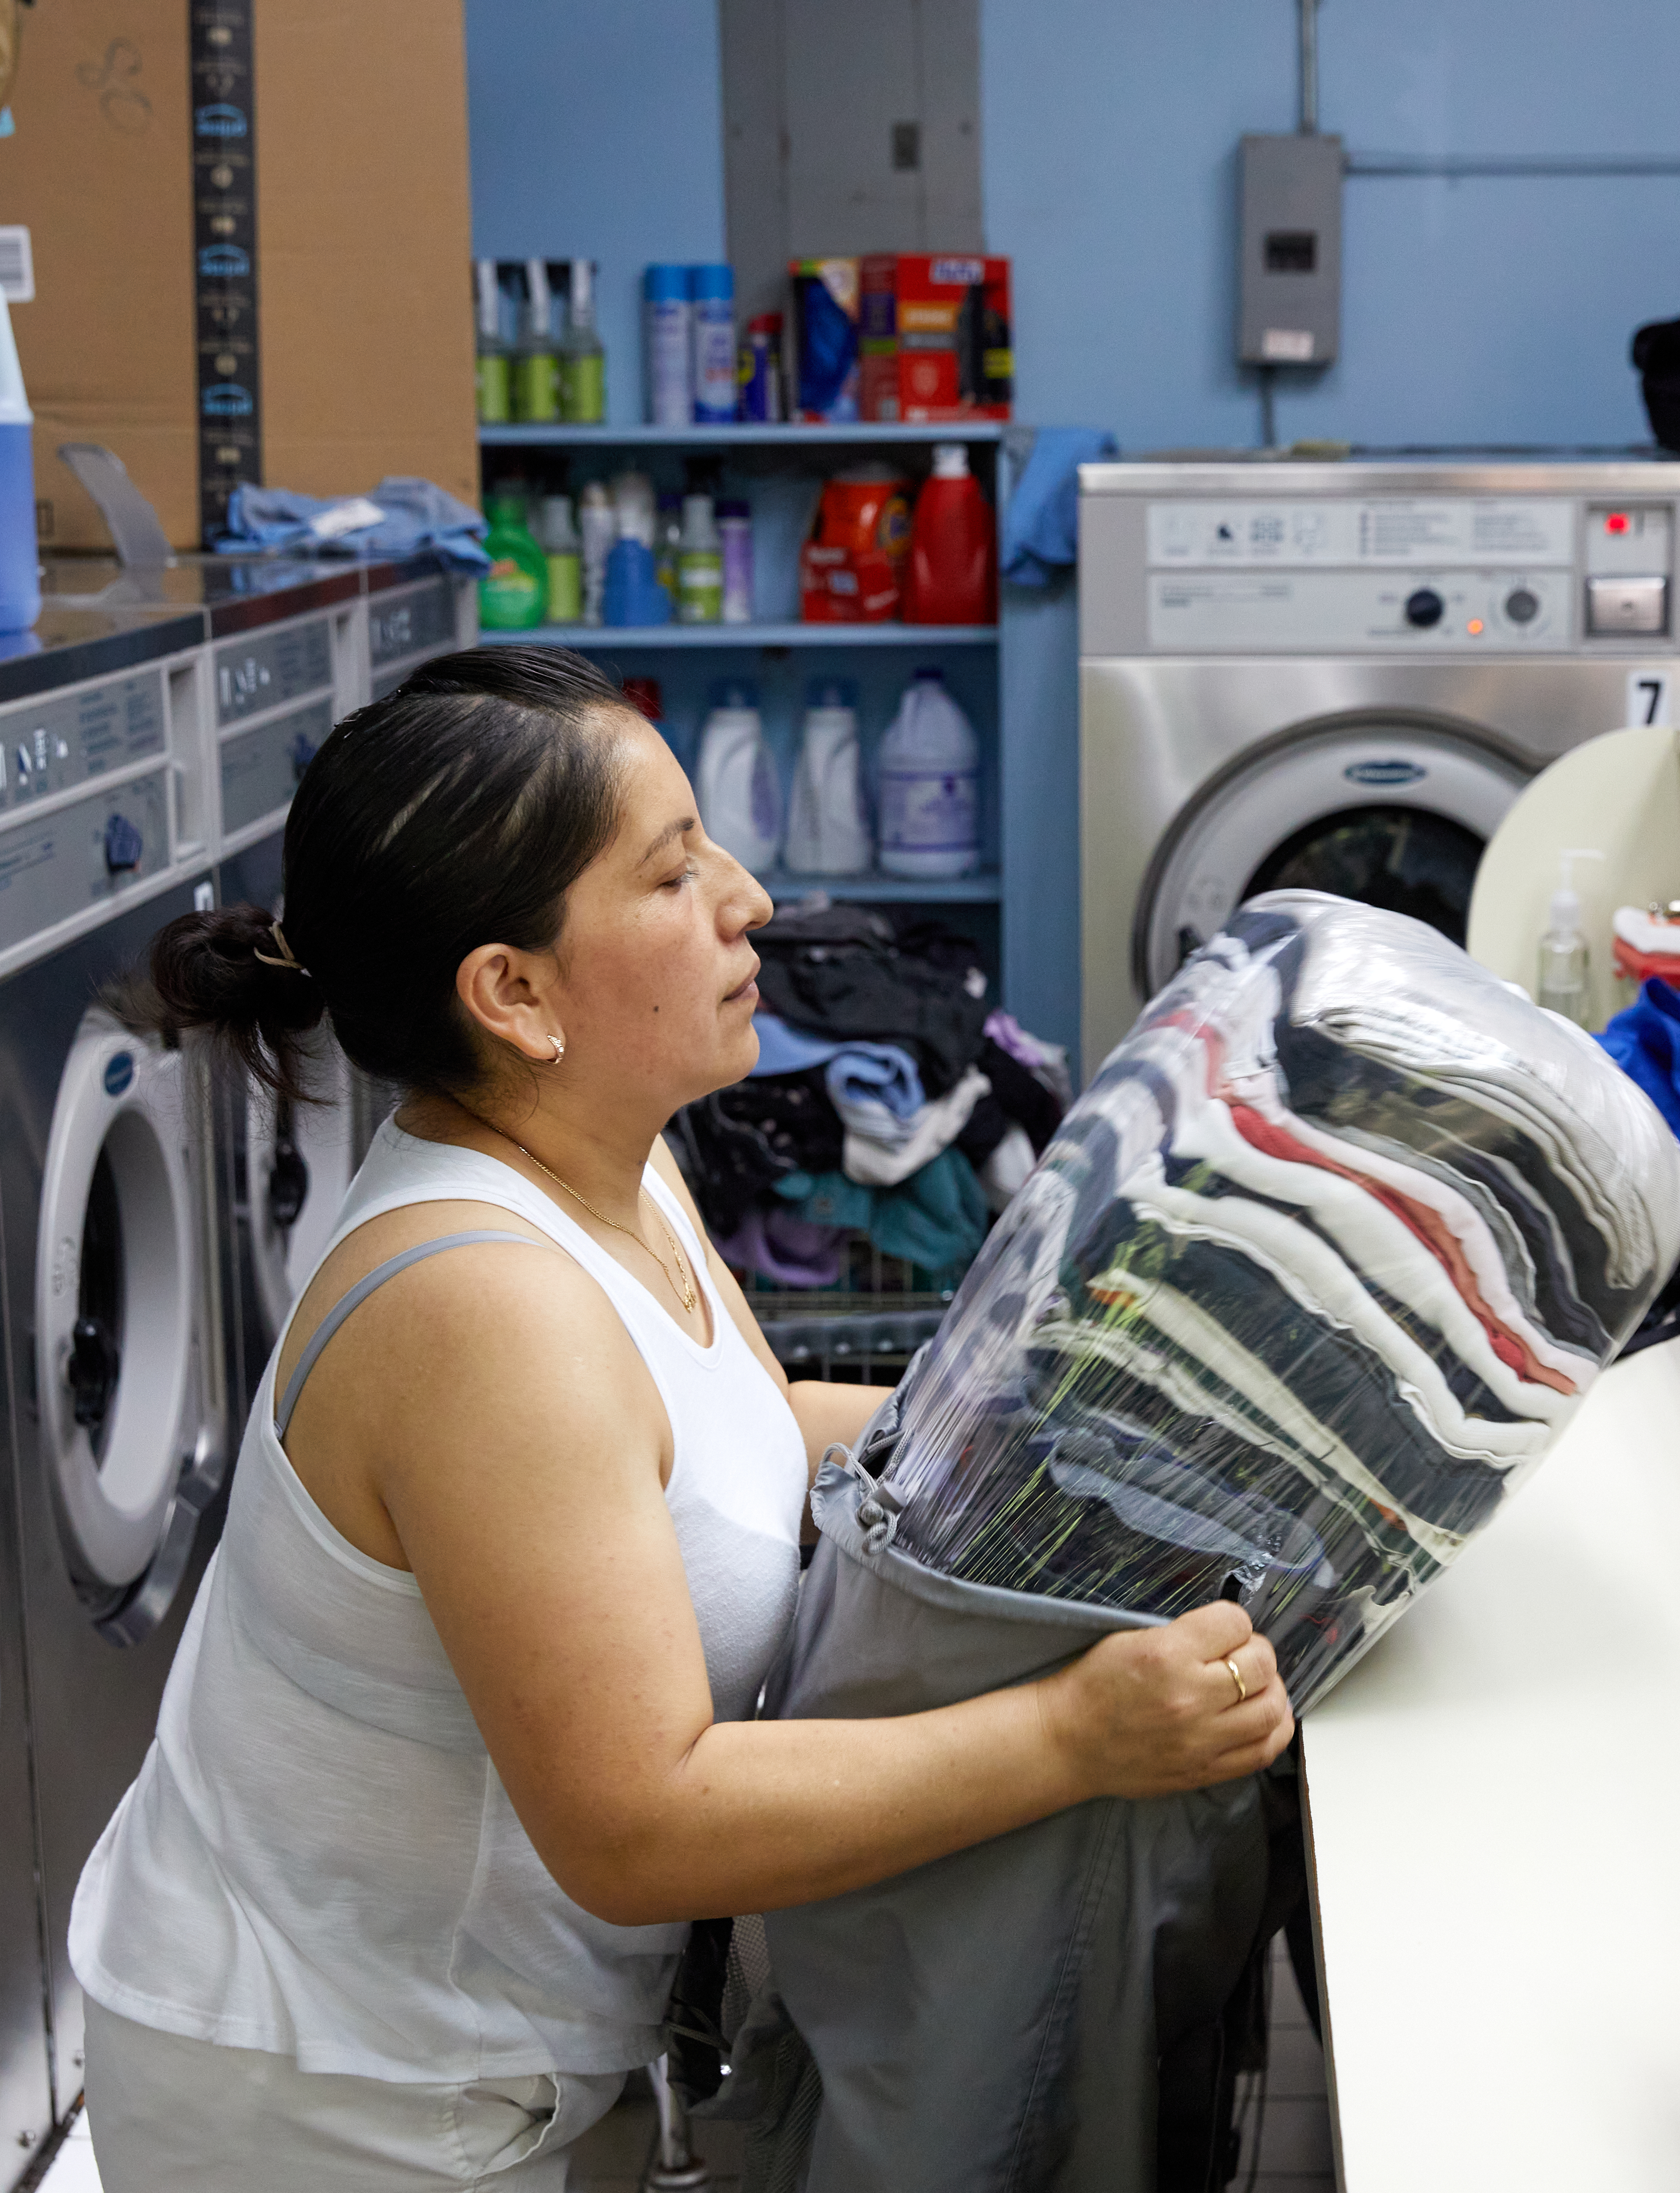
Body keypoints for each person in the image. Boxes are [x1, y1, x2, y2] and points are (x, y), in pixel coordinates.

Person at [70, 646, 1293, 2190]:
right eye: (673, 874)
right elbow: (641, 1822)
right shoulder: (482, 1308)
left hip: (480, 2044)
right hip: (341, 2096)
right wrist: (1079, 1733)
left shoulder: (606, 1159)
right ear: (512, 993)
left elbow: (755, 1425)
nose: (752, 896)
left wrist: (1114, 1439)